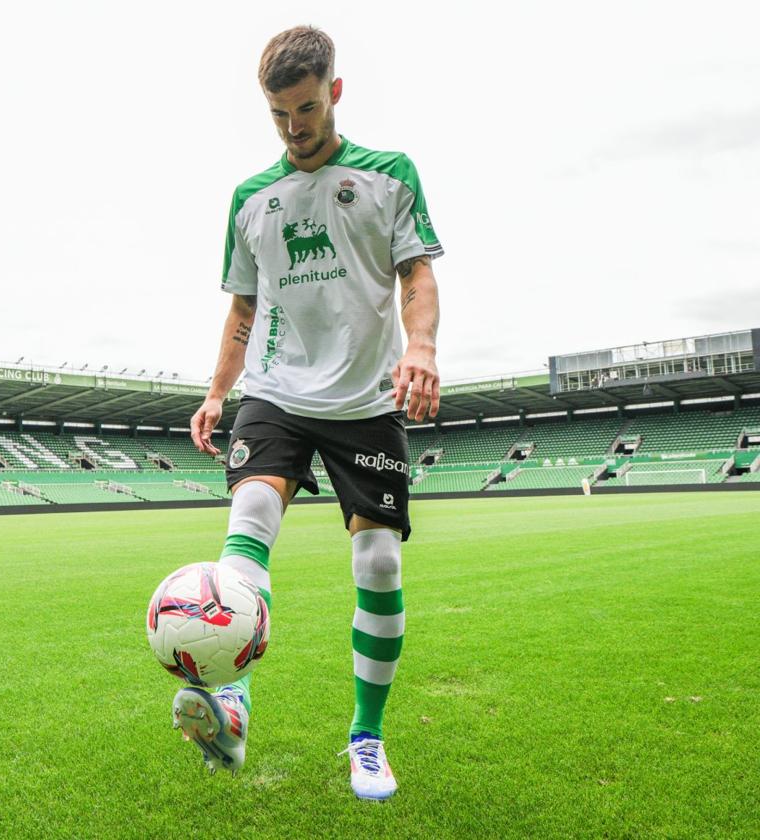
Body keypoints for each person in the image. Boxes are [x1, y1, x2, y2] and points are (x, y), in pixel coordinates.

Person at [174, 25, 443, 801]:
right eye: (279, 115)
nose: (295, 127)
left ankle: (366, 738)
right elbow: (243, 306)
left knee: (380, 562)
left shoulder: (390, 175)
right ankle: (230, 702)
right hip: (277, 392)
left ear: (335, 92)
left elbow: (417, 278)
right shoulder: (251, 198)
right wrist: (218, 391)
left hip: (365, 399)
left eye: (306, 108)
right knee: (250, 513)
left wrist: (419, 347)